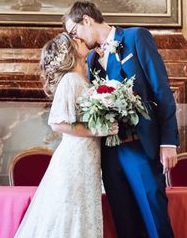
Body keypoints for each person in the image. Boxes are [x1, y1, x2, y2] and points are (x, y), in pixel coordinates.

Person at [64, 1, 179, 238]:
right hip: (109, 154)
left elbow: (162, 91)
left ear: (86, 20)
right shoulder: (90, 61)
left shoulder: (137, 38)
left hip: (140, 147)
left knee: (155, 218)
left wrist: (168, 142)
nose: (76, 40)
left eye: (74, 32)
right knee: (124, 222)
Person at [14, 32, 118, 238]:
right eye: (76, 41)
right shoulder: (70, 80)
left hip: (88, 157)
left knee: (83, 212)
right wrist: (97, 130)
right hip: (74, 159)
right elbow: (58, 123)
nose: (81, 39)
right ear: (70, 52)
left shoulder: (84, 80)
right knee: (71, 212)